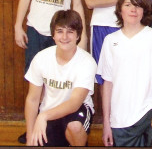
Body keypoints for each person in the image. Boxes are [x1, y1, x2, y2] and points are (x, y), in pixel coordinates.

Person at [15, 0, 87, 144]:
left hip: (61, 36)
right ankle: (33, 129)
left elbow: (77, 4)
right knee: (36, 83)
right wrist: (18, 26)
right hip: (36, 29)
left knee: (57, 81)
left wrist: (81, 38)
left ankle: (52, 125)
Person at [97, 0, 152, 147]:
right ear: (120, 10)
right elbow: (107, 84)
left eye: (138, 6)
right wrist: (106, 123)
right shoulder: (110, 41)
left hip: (149, 110)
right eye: (128, 5)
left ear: (143, 11)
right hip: (120, 119)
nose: (133, 9)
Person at [24, 10, 97, 146]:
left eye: (70, 31)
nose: (64, 37)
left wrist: (43, 116)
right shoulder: (41, 58)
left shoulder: (87, 62)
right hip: (49, 110)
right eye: (59, 31)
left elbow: (74, 103)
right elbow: (33, 99)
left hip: (77, 111)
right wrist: (30, 135)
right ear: (53, 34)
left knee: (74, 127)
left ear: (78, 35)